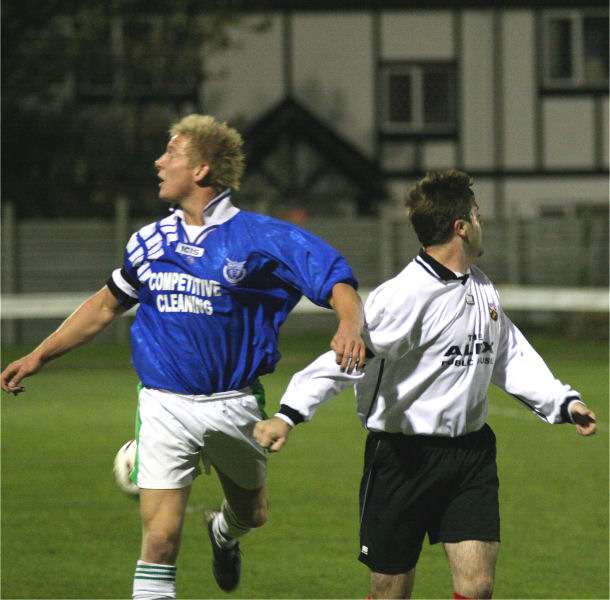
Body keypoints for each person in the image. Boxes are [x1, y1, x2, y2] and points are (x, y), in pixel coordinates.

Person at [1, 114, 366, 600]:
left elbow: (337, 280)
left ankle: (223, 533)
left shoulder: (262, 237)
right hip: (164, 404)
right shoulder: (149, 241)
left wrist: (348, 323)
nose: (159, 162)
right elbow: (106, 305)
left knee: (252, 514)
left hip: (234, 402)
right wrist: (39, 356)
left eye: (171, 153)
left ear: (201, 169)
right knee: (159, 539)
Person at [254, 169, 597, 600]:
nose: (481, 222)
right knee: (389, 592)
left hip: (470, 455)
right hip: (402, 458)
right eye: (477, 215)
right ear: (460, 228)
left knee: (478, 586)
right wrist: (289, 414)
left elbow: (508, 352)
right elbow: (346, 358)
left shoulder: (481, 285)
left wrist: (563, 403)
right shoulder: (406, 296)